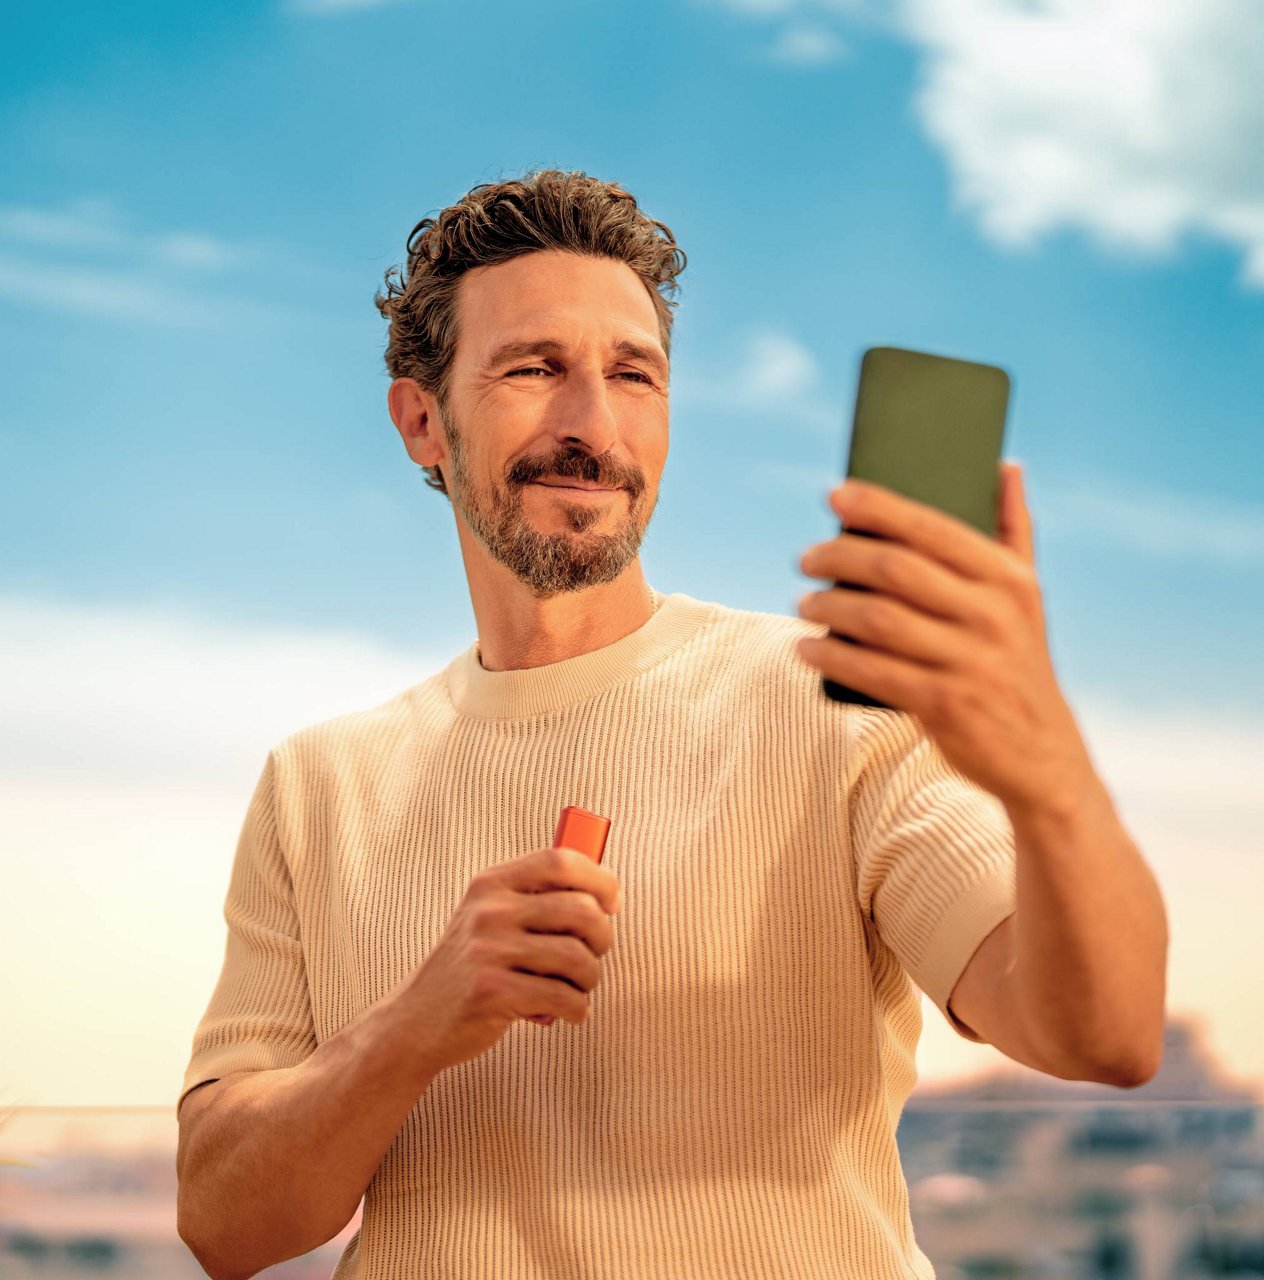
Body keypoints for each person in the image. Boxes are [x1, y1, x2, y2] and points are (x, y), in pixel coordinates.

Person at [174, 169, 1167, 1280]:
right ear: (422, 420)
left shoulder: (833, 704)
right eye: (534, 367)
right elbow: (223, 1222)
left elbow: (1103, 1032)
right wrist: (413, 1022)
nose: (591, 424)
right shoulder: (320, 783)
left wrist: (1048, 776)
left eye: (631, 373)